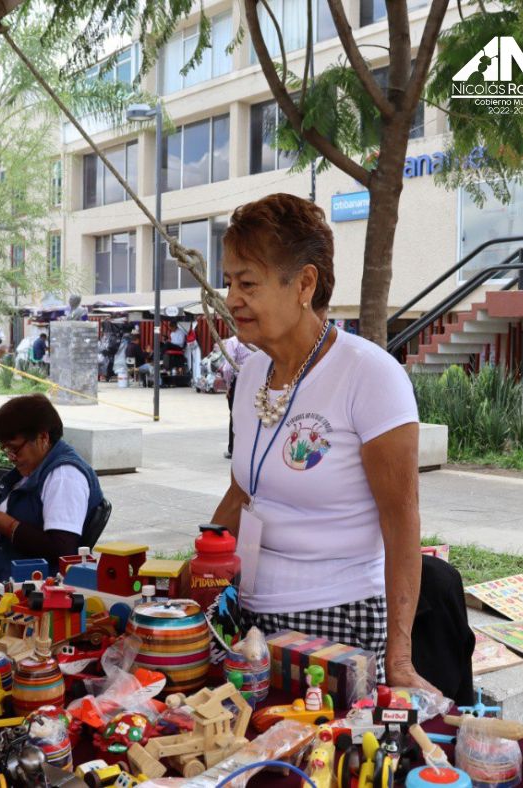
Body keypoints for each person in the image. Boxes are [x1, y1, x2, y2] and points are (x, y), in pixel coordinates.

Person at [212, 193, 435, 691]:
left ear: (304, 284)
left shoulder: (369, 374)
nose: (231, 299)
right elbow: (241, 492)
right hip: (245, 615)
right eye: (229, 282)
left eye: (247, 283)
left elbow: (402, 520)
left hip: (334, 621)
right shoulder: (250, 374)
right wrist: (198, 569)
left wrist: (399, 661)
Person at [0, 394, 103, 581]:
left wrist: (3, 524)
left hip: (24, 587)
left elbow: (62, 548)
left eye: (14, 449)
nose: (10, 457)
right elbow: (24, 511)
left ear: (43, 438)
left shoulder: (64, 476)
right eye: (5, 449)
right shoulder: (34, 468)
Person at [219, 335, 253, 459]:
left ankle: (233, 449)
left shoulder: (233, 342)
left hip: (240, 381)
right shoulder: (258, 338)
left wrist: (228, 385)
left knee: (236, 415)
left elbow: (228, 368)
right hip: (258, 380)